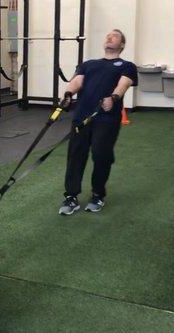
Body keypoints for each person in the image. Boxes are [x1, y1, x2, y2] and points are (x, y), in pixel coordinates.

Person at [59, 29, 138, 216]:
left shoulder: (126, 65)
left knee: (101, 155)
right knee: (75, 156)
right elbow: (77, 81)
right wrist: (68, 94)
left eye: (115, 36)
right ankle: (71, 196)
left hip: (106, 118)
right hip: (81, 117)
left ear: (122, 45)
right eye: (108, 35)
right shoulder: (89, 64)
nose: (109, 37)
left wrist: (114, 97)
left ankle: (97, 194)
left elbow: (123, 84)